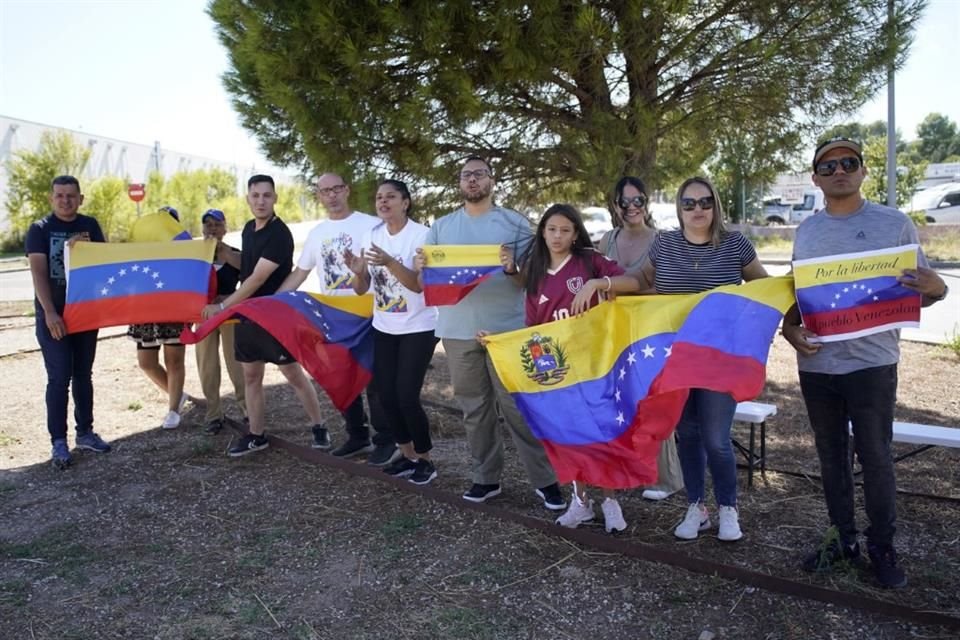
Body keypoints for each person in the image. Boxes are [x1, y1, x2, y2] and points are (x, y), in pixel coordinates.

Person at [781, 137, 948, 589]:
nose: (839, 170)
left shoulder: (893, 224)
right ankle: (842, 539)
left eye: (848, 162)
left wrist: (937, 288)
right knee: (831, 457)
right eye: (829, 165)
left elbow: (925, 292)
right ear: (816, 178)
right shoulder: (807, 232)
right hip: (818, 366)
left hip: (873, 364)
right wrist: (789, 330)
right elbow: (798, 298)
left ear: (862, 170)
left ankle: (882, 546)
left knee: (875, 458)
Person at [415, 156, 565, 510]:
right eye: (466, 175)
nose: (472, 181)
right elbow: (427, 282)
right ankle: (486, 478)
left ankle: (546, 481)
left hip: (506, 332)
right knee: (474, 408)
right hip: (457, 331)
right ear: (459, 183)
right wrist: (420, 268)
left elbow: (531, 280)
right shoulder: (441, 228)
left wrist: (512, 267)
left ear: (491, 181)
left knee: (518, 408)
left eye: (479, 174)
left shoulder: (515, 225)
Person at [636, 176, 768, 542]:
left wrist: (792, 322)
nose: (698, 209)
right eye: (689, 203)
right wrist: (603, 286)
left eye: (705, 202)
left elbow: (764, 289)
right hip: (676, 359)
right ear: (679, 208)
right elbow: (639, 279)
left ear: (716, 205)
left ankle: (729, 507)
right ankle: (697, 506)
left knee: (716, 438)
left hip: (720, 360)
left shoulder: (735, 244)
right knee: (688, 434)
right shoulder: (663, 243)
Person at [499, 203, 639, 531]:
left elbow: (631, 283)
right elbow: (532, 329)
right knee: (569, 437)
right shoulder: (534, 268)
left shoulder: (589, 261)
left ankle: (611, 502)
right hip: (558, 373)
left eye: (565, 230)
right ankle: (581, 502)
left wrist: (597, 284)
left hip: (594, 367)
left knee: (600, 435)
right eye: (551, 230)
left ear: (575, 233)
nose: (557, 236)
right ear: (543, 232)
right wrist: (496, 341)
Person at [201, 175, 325, 457]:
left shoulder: (280, 234)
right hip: (249, 316)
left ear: (275, 198)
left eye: (266, 195)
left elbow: (257, 278)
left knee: (292, 374)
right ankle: (257, 435)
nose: (260, 201)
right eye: (255, 195)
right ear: (248, 199)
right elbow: (245, 264)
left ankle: (318, 425)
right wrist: (218, 249)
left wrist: (223, 308)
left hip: (274, 315)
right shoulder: (247, 229)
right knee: (251, 375)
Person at [277, 173, 391, 462]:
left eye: (337, 189)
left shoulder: (370, 225)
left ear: (347, 190)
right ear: (319, 195)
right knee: (342, 377)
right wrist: (274, 301)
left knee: (375, 380)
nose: (332, 195)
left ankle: (386, 440)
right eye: (325, 191)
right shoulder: (317, 234)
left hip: (370, 315)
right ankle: (357, 435)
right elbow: (300, 273)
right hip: (334, 318)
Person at [345, 179, 439, 485]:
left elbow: (418, 285)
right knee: (386, 394)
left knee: (406, 395)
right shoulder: (371, 235)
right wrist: (359, 273)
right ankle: (408, 456)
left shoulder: (421, 235)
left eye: (390, 197)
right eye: (378, 198)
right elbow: (362, 289)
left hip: (419, 326)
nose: (383, 202)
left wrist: (389, 261)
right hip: (384, 326)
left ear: (406, 202)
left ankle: (425, 460)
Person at [599, 176, 684, 502]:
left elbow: (669, 285)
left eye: (639, 200)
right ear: (616, 206)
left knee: (655, 402)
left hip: (652, 332)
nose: (632, 207)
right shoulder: (606, 240)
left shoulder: (663, 240)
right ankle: (629, 470)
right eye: (625, 201)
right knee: (620, 403)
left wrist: (622, 289)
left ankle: (666, 477)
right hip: (614, 335)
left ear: (647, 203)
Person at [26, 175, 112, 469]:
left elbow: (106, 265)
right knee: (59, 377)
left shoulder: (90, 226)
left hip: (86, 313)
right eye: (60, 196)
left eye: (71, 196)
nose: (65, 201)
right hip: (55, 314)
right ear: (52, 199)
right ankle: (58, 442)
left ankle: (85, 432)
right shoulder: (40, 229)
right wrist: (50, 312)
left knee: (83, 374)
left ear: (80, 198)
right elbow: (38, 273)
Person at [127, 205, 189, 429]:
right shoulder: (140, 250)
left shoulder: (184, 252)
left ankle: (173, 410)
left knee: (174, 361)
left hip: (173, 310)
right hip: (144, 311)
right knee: (146, 363)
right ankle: (178, 395)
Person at [194, 208, 247, 434]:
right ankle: (214, 414)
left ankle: (247, 410)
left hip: (230, 315)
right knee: (207, 366)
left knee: (237, 365)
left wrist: (229, 299)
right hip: (203, 316)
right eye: (208, 225)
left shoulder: (236, 254)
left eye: (217, 224)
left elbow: (249, 282)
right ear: (202, 229)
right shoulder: (195, 257)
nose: (212, 229)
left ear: (225, 228)